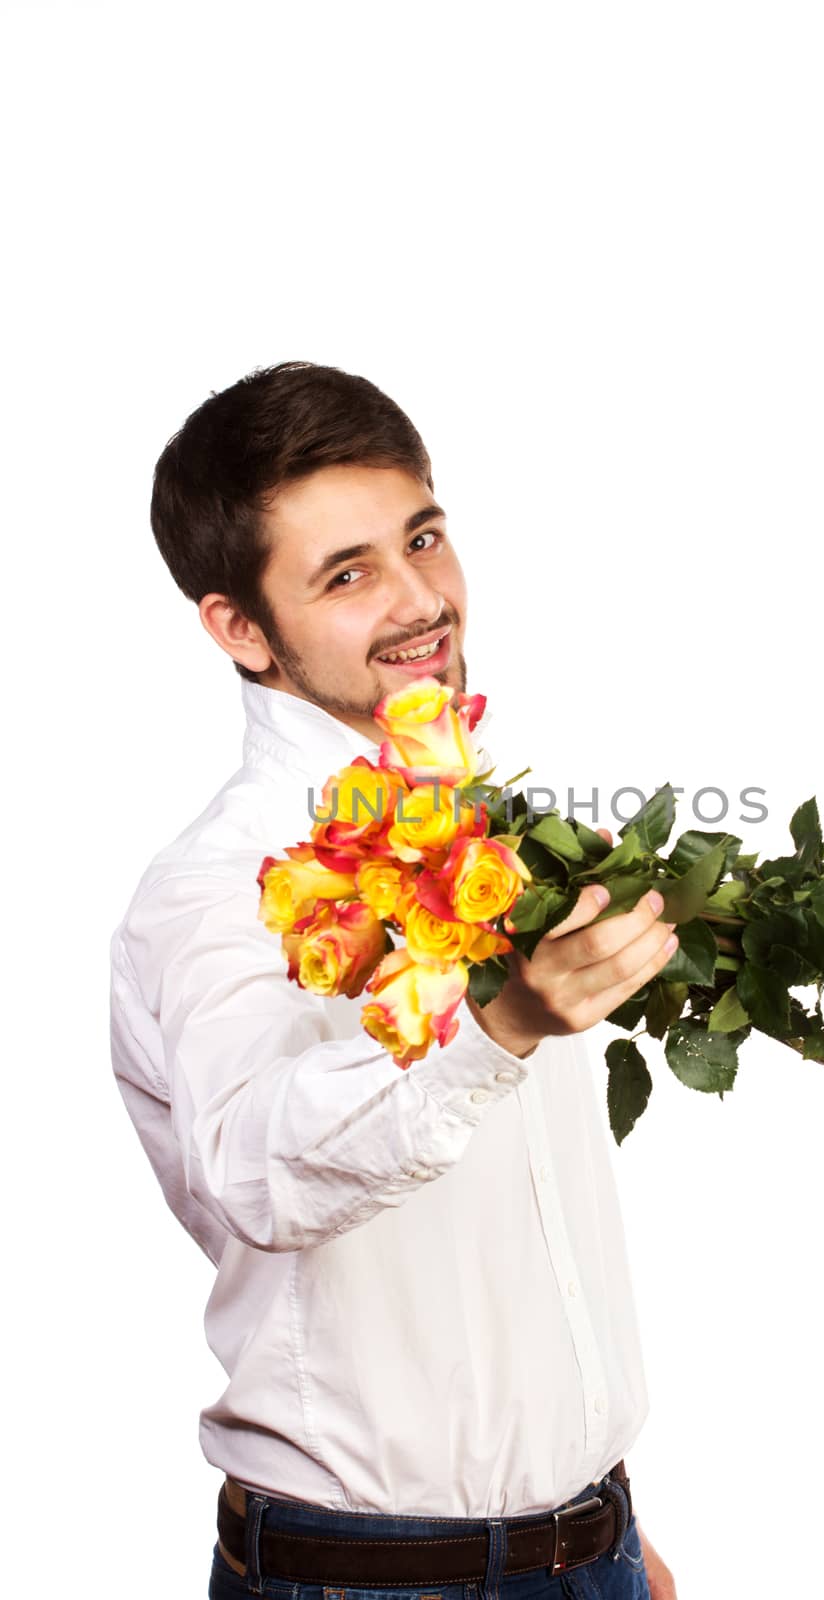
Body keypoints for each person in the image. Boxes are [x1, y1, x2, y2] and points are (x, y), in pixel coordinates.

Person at [109, 361, 680, 1599]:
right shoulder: (212, 888)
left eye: (422, 536)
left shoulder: (480, 828)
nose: (422, 600)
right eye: (347, 573)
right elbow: (256, 1164)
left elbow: (498, 1237)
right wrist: (499, 1021)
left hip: (586, 1547)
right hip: (376, 1577)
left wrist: (606, 1534)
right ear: (238, 628)